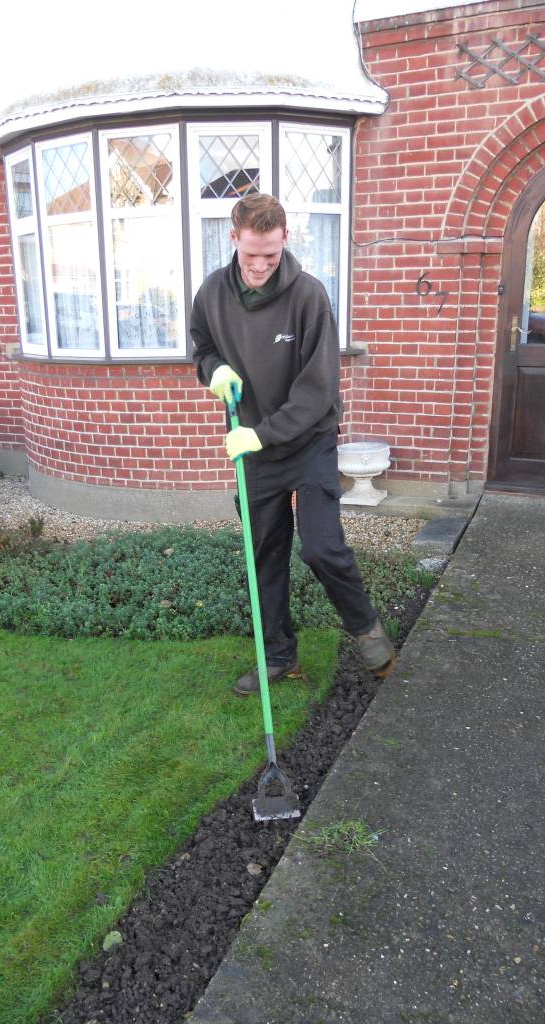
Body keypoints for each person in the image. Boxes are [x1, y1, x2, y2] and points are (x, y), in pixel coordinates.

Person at [191, 193, 395, 696]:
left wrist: (259, 433)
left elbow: (317, 389)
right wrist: (212, 370)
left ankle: (367, 629)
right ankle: (278, 655)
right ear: (233, 239)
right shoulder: (211, 293)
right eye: (250, 254)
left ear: (285, 240)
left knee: (322, 547)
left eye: (271, 255)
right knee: (264, 556)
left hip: (308, 442)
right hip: (255, 451)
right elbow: (202, 346)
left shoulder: (308, 296)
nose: (260, 265)